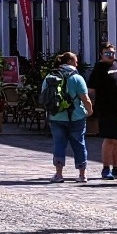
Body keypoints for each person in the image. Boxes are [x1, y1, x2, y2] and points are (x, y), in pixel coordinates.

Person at [41, 52, 92, 183]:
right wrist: (89, 110)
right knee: (79, 144)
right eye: (75, 61)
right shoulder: (77, 78)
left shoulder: (50, 76)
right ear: (69, 61)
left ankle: (58, 174)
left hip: (56, 116)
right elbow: (85, 98)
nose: (77, 64)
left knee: (59, 144)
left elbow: (43, 96)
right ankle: (82, 174)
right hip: (76, 117)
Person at [89, 46, 117, 181]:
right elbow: (92, 90)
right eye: (107, 53)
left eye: (112, 52)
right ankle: (106, 168)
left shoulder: (116, 64)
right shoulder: (99, 69)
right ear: (101, 54)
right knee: (109, 139)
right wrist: (93, 107)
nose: (110, 55)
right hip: (107, 109)